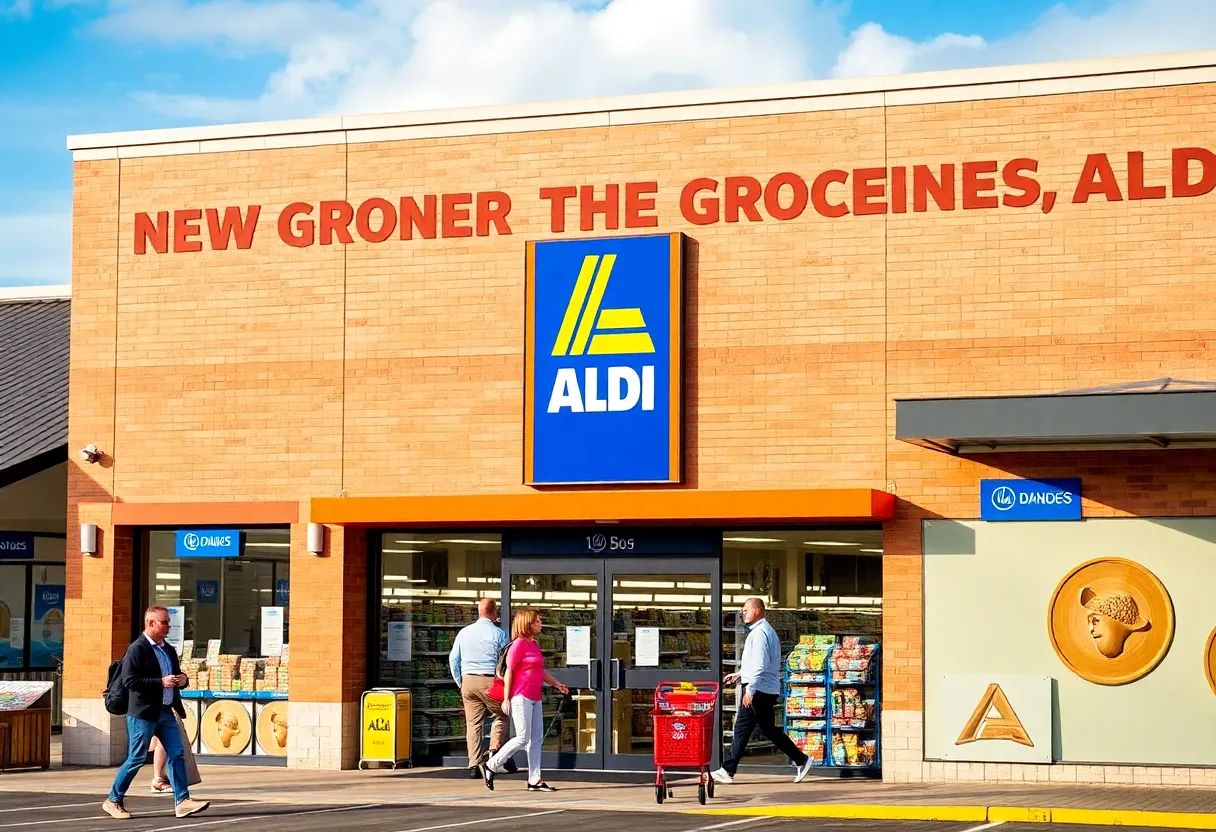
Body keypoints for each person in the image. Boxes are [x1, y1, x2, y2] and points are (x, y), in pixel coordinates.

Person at [102, 607, 209, 820]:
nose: (169, 626)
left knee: (177, 753)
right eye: (164, 622)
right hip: (143, 712)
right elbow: (130, 681)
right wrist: (160, 682)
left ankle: (182, 801)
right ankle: (113, 800)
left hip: (166, 710)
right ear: (150, 623)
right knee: (136, 758)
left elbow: (175, 676)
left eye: (169, 622)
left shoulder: (168, 649)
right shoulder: (137, 649)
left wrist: (183, 680)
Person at [711, 598, 813, 785]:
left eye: (745, 610)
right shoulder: (765, 631)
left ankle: (728, 770)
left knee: (742, 728)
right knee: (768, 730)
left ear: (757, 611)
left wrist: (750, 690)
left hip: (758, 688)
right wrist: (740, 674)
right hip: (764, 687)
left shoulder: (759, 634)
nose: (743, 614)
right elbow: (759, 664)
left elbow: (759, 665)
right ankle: (801, 759)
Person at [482, 608, 568, 792]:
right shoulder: (518, 644)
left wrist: (556, 684)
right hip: (521, 696)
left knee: (536, 740)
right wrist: (506, 698)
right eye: (537, 621)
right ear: (527, 624)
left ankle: (534, 779)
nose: (540, 624)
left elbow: (540, 671)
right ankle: (492, 764)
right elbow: (509, 671)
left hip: (535, 696)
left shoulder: (534, 644)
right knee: (522, 737)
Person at [449, 598, 516, 777]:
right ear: (495, 612)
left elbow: (454, 659)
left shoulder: (464, 633)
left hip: (468, 681)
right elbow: (505, 661)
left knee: (473, 724)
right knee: (503, 714)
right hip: (489, 680)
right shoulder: (498, 634)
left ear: (479, 612)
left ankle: (474, 765)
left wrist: (460, 681)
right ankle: (494, 751)